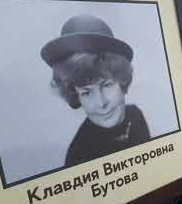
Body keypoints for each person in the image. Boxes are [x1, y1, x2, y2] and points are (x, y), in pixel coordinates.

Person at [40, 14, 150, 167]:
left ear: (122, 81)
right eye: (86, 92)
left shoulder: (135, 116)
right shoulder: (79, 156)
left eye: (106, 85)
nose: (101, 103)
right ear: (76, 96)